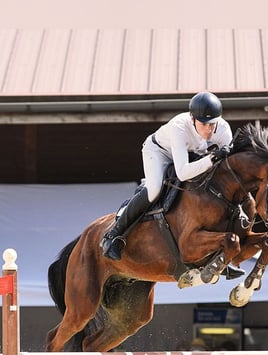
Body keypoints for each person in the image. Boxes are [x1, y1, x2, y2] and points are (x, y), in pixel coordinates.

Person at [100, 91, 238, 274]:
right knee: (155, 189)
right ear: (192, 119)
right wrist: (212, 158)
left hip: (190, 156)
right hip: (159, 152)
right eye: (204, 124)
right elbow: (182, 173)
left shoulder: (223, 129)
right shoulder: (179, 127)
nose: (209, 130)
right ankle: (114, 235)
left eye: (213, 124)